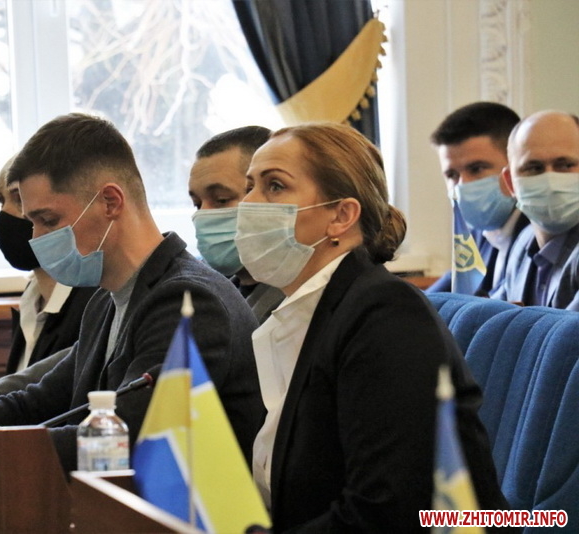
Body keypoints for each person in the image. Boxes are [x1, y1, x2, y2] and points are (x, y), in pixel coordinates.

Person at [237, 122, 509, 531]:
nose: (249, 203)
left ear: (341, 216)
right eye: (249, 186)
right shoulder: (308, 309)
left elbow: (388, 511)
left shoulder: (385, 316)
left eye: (275, 186)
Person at [0, 113, 263, 472]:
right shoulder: (105, 299)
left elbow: (123, 439)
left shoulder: (189, 302)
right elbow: (38, 400)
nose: (35, 238)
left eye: (49, 220)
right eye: (33, 222)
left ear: (110, 202)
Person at [0, 160, 96, 409]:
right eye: (1, 200)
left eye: (19, 199)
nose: (5, 213)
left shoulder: (95, 303)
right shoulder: (30, 300)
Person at [427, 102, 528, 295]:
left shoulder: (540, 231)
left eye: (476, 169)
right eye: (452, 175)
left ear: (514, 167)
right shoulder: (477, 231)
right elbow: (442, 294)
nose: (462, 185)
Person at [189, 126, 285, 324]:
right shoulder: (206, 289)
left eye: (221, 200)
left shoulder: (294, 303)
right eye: (197, 204)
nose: (203, 215)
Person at [498, 110, 579, 310]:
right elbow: (493, 314)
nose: (550, 180)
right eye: (533, 168)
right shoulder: (523, 242)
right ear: (510, 183)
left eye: (565, 165)